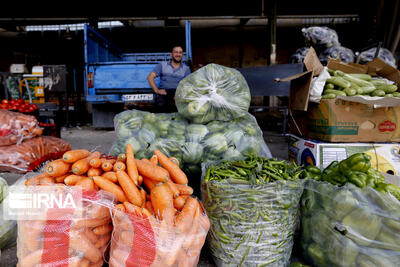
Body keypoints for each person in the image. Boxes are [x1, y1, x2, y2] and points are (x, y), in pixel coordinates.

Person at [147, 45, 191, 112]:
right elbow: (150, 77)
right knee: (160, 105)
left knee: (183, 109)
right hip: (164, 92)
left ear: (182, 55)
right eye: (176, 52)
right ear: (171, 54)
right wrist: (157, 90)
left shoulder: (186, 69)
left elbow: (188, 85)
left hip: (178, 92)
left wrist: (180, 95)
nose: (178, 54)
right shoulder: (162, 65)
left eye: (180, 52)